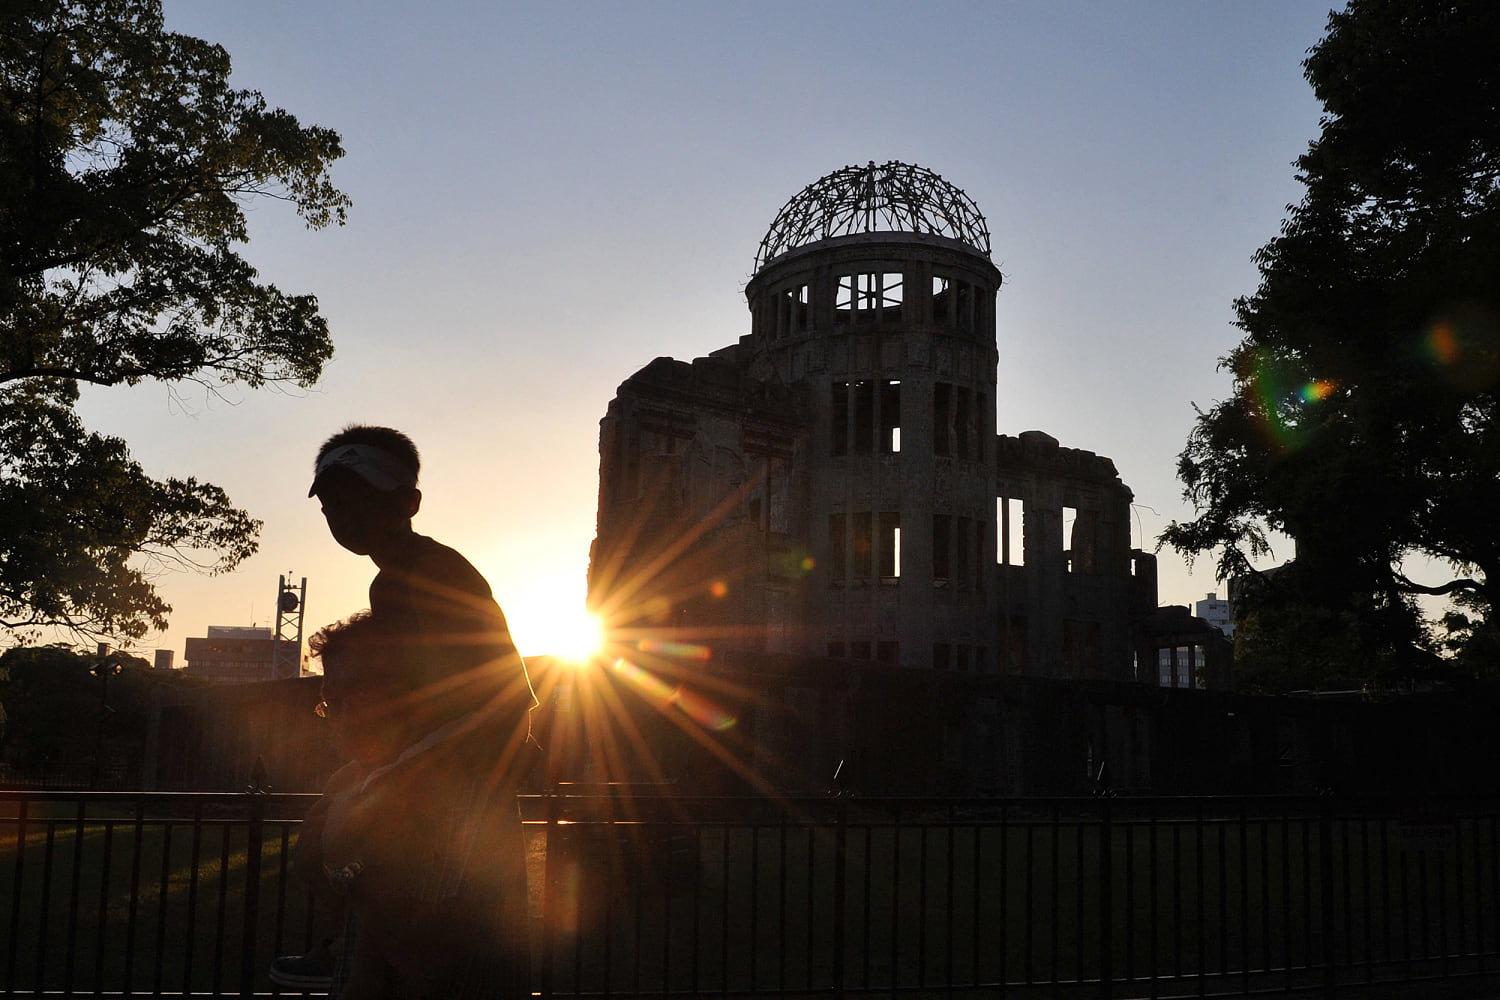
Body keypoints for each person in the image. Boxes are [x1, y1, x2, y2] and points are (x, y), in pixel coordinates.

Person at [298, 612, 533, 1000]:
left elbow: (429, 965)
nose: (341, 717)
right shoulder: (365, 785)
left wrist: (348, 863)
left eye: (358, 695)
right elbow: (362, 930)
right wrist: (321, 875)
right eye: (331, 702)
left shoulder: (452, 794)